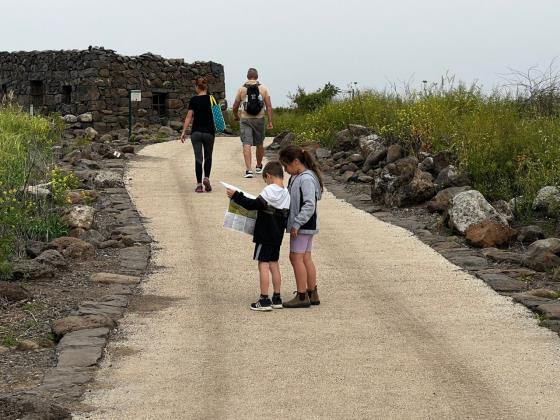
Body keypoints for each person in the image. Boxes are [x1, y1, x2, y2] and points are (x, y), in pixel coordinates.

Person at [226, 161, 290, 311]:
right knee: (274, 264)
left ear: (268, 176)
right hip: (277, 235)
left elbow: (253, 204)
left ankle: (264, 299)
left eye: (265, 180)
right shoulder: (286, 193)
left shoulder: (269, 190)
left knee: (263, 264)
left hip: (264, 234)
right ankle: (277, 297)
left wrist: (236, 195)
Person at [279, 145, 323, 308]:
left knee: (295, 257)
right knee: (305, 258)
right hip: (307, 224)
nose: (285, 170)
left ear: (296, 162)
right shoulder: (301, 177)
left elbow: (309, 204)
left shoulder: (305, 179)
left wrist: (296, 223)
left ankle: (302, 295)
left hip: (303, 225)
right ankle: (313, 292)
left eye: (286, 166)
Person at [232, 68, 273, 179]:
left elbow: (235, 106)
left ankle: (249, 170)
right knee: (259, 143)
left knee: (246, 143)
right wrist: (270, 121)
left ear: (247, 76)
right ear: (257, 76)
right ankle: (259, 166)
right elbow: (269, 106)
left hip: (245, 119)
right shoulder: (263, 88)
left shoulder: (241, 89)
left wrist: (236, 116)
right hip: (259, 119)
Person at [181, 77, 216, 193]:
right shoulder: (212, 99)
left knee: (198, 158)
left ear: (197, 87)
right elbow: (217, 116)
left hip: (196, 132)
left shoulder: (193, 100)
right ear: (206, 87)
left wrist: (184, 132)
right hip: (209, 133)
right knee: (208, 157)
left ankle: (199, 185)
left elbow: (189, 117)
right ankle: (206, 177)